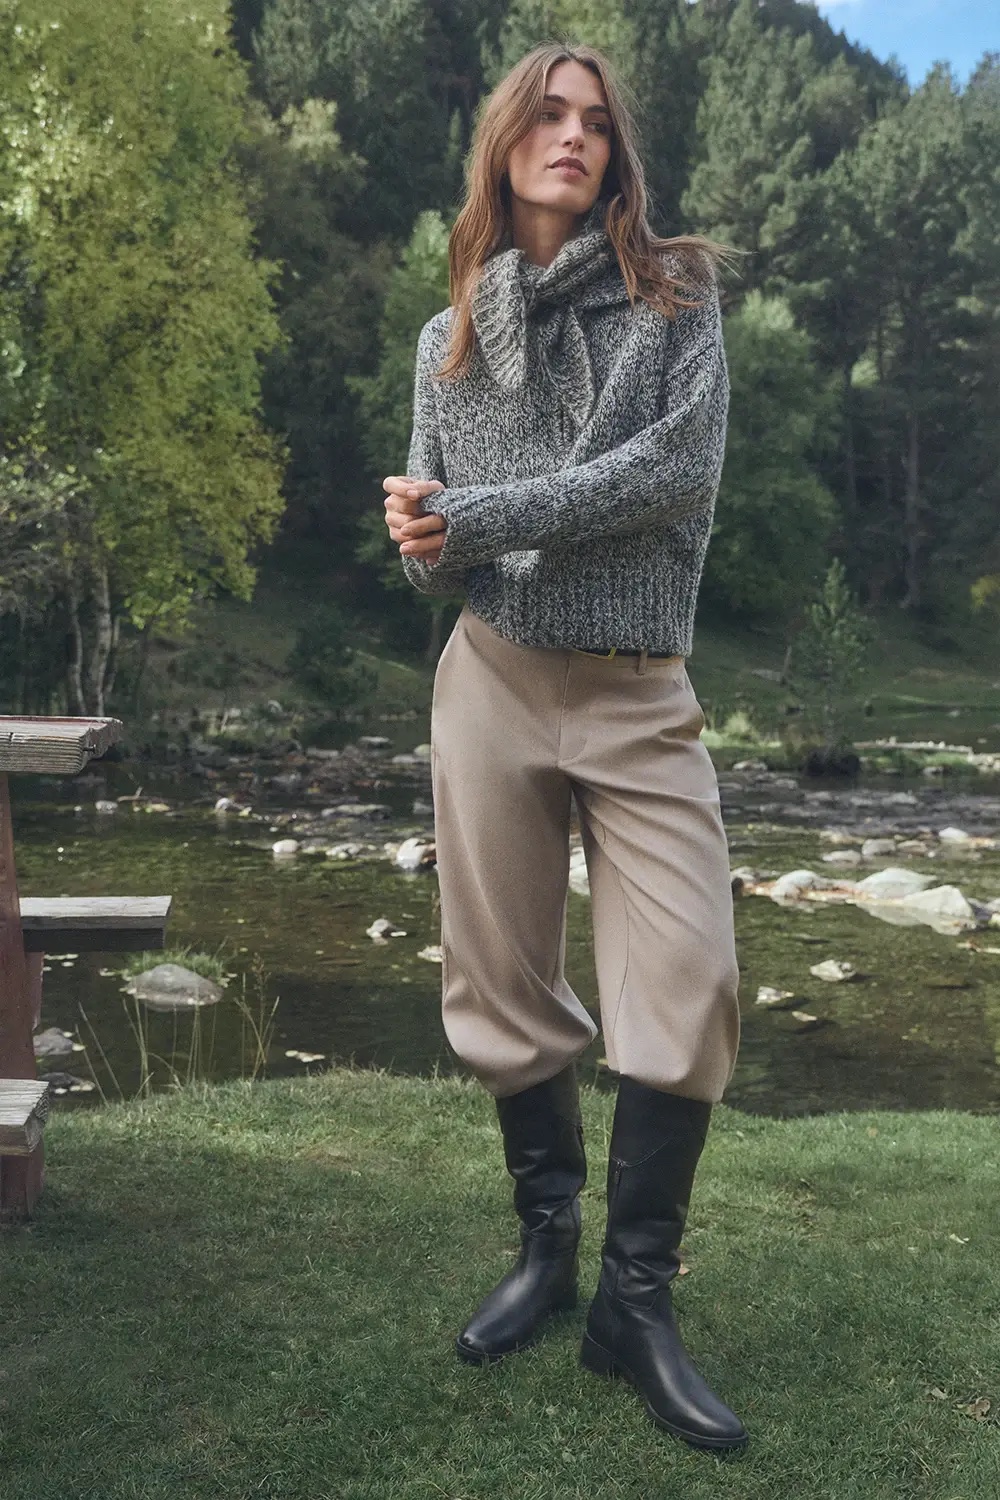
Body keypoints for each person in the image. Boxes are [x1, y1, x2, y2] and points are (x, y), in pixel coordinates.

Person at [382, 43, 747, 1454]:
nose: (573, 135)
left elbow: (671, 477)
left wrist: (477, 517)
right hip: (491, 676)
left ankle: (635, 1304)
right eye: (548, 113)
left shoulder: (677, 300)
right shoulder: (448, 337)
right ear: (504, 141)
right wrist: (422, 530)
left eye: (596, 120)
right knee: (499, 977)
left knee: (689, 978)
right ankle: (548, 1250)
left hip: (639, 691)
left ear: (617, 155)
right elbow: (441, 555)